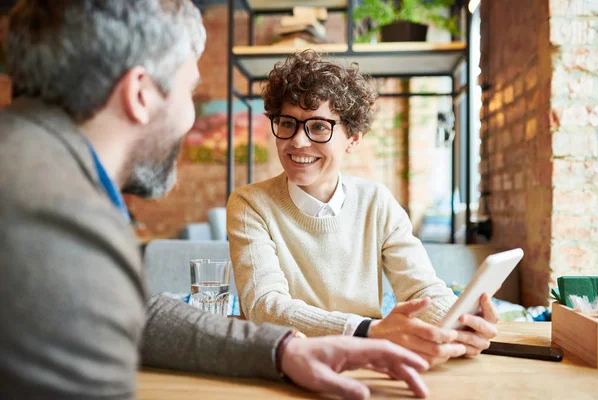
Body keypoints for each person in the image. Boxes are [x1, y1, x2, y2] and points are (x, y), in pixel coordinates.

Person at [0, 2, 430, 399]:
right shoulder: (55, 211)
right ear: (140, 94)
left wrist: (281, 352)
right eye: (190, 92)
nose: (191, 117)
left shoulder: (37, 163)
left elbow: (133, 312)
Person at [227, 50, 499, 367]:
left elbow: (421, 289)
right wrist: (369, 331)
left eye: (318, 127)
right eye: (287, 123)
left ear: (353, 139)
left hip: (370, 361)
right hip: (289, 362)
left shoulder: (377, 202)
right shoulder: (250, 204)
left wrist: (460, 322)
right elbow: (264, 305)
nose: (298, 141)